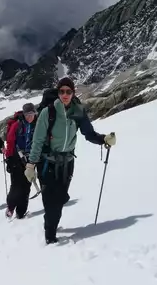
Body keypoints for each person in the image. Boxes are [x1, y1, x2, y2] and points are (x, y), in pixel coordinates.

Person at [26, 77, 116, 244]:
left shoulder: (78, 111)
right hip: (47, 163)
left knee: (58, 201)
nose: (65, 94)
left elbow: (88, 133)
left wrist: (103, 139)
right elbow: (37, 141)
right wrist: (31, 164)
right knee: (51, 201)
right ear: (58, 93)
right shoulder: (48, 112)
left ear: (73, 93)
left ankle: (51, 222)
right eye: (62, 91)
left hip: (67, 163)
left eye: (68, 91)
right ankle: (50, 236)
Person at [3, 102, 38, 220]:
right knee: (16, 186)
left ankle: (21, 212)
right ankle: (11, 207)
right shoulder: (17, 125)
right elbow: (10, 142)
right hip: (16, 159)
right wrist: (9, 159)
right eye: (27, 114)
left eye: (32, 113)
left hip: (31, 159)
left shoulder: (36, 124)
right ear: (23, 114)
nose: (30, 116)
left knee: (26, 186)